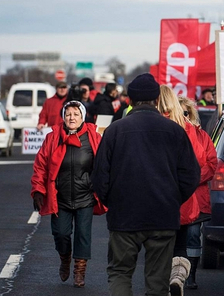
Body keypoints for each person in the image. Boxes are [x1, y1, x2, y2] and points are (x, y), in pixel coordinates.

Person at [92, 74, 200, 296]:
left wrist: (111, 201)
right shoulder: (175, 131)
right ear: (156, 99)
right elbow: (191, 175)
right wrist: (172, 199)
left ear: (130, 100)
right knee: (157, 280)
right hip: (163, 215)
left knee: (120, 272)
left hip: (124, 216)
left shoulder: (114, 130)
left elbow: (99, 176)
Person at [31, 101, 104, 288]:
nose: (72, 117)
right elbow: (40, 166)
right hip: (60, 197)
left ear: (83, 117)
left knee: (83, 235)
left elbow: (104, 166)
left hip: (85, 196)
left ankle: (80, 271)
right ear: (63, 116)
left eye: (76, 114)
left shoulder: (94, 137)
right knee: (61, 234)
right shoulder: (53, 138)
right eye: (68, 114)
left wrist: (106, 187)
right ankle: (65, 258)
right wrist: (38, 190)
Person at [156, 86, 203, 295]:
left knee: (159, 247)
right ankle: (178, 277)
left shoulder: (153, 126)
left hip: (156, 196)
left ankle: (162, 283)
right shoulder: (188, 128)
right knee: (181, 244)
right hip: (183, 196)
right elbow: (199, 161)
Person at [178, 96, 217, 290]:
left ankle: (190, 275)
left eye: (186, 113)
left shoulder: (202, 137)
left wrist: (190, 177)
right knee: (174, 237)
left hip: (196, 195)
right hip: (174, 196)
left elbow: (211, 164)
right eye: (179, 113)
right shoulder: (171, 134)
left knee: (193, 235)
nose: (183, 117)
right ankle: (174, 273)